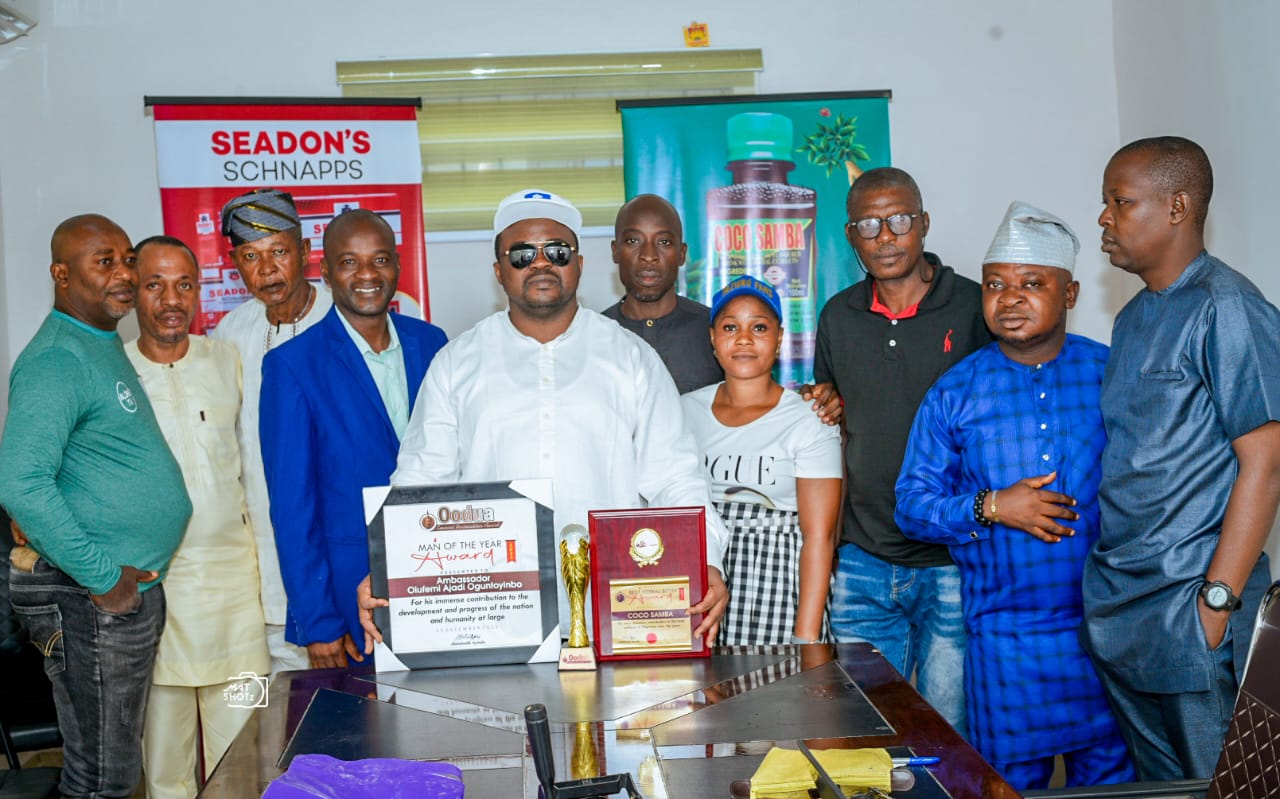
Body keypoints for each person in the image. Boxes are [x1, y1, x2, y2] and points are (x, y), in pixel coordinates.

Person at [360, 188, 730, 647]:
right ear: (499, 271)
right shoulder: (457, 363)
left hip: (618, 612)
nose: (540, 263)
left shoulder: (630, 357)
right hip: (488, 615)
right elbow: (419, 483)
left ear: (579, 263)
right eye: (522, 254)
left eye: (557, 251)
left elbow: (676, 477)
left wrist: (705, 559)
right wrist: (387, 568)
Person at [895, 203, 1134, 790]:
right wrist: (992, 506)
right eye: (995, 284)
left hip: (1105, 634)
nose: (1010, 298)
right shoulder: (956, 391)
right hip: (1005, 643)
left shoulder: (1112, 374)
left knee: (1111, 787)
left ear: (1070, 293)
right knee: (1006, 787)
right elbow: (911, 505)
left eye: (1032, 283)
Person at [1084, 136, 1280, 780]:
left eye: (1121, 202)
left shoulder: (1229, 307)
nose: (1105, 218)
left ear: (1177, 207)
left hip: (1192, 609)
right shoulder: (1132, 318)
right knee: (1161, 790)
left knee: (1227, 785)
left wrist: (1216, 602)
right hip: (1124, 609)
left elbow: (1266, 463)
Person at [0, 215, 192, 799]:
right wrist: (105, 579)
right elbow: (22, 484)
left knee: (112, 770)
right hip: (89, 596)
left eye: (128, 259)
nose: (124, 274)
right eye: (104, 262)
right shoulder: (56, 359)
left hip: (114, 592)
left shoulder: (97, 342)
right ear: (62, 275)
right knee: (101, 779)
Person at [812, 167, 991, 731]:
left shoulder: (973, 307)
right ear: (851, 236)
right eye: (869, 225)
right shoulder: (838, 316)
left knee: (948, 734)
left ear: (924, 223)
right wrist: (824, 401)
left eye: (899, 220)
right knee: (864, 732)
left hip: (953, 559)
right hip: (863, 557)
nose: (885, 237)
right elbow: (831, 420)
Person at [260, 209, 447, 669]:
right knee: (364, 717)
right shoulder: (292, 365)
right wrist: (319, 621)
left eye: (380, 259)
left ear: (397, 266)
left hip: (440, 582)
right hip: (345, 603)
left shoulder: (433, 343)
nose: (367, 274)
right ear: (325, 273)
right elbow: (291, 507)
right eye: (349, 262)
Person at [124, 236, 270, 799]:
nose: (171, 300)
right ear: (133, 291)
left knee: (244, 756)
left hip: (235, 598)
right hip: (153, 598)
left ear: (199, 291)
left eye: (184, 285)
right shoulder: (114, 372)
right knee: (166, 767)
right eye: (154, 285)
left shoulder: (226, 361)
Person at [682, 276, 842, 646]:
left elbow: (819, 537)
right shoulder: (682, 411)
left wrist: (806, 638)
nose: (744, 339)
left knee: (778, 684)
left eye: (759, 327)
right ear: (712, 338)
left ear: (780, 338)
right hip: (700, 581)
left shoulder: (809, 418)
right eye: (730, 327)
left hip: (778, 586)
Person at [211, 188, 332, 674]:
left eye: (279, 251)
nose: (266, 270)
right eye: (250, 257)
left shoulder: (342, 318)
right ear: (235, 265)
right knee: (275, 704)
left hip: (336, 557)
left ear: (305, 251)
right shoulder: (230, 333)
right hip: (261, 564)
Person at [602, 194, 723, 393]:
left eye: (664, 242)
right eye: (633, 241)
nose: (648, 256)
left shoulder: (716, 331)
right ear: (615, 251)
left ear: (682, 254)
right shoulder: (595, 335)